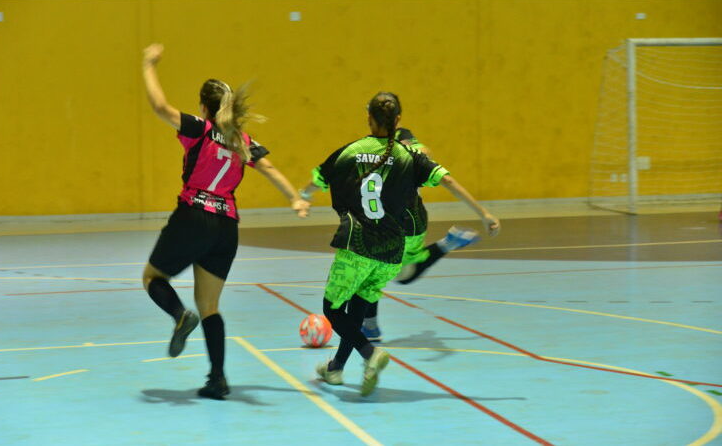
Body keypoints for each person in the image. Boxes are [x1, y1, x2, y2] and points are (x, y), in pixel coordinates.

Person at [140, 43, 309, 400]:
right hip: (226, 227)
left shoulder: (199, 128)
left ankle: (179, 315)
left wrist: (148, 66)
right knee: (211, 307)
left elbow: (159, 107)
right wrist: (294, 198)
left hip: (194, 215)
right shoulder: (241, 139)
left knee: (153, 278)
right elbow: (271, 169)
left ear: (204, 106)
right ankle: (218, 379)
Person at [302, 92, 496, 396]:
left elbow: (320, 178)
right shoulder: (410, 157)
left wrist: (302, 196)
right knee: (358, 306)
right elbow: (447, 180)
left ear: (368, 119)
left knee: (333, 307)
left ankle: (370, 354)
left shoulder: (350, 152)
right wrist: (483, 213)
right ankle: (336, 368)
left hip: (358, 244)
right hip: (392, 250)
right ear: (398, 121)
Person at [301, 127, 500, 343]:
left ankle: (368, 330)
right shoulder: (373, 148)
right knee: (389, 270)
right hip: (401, 220)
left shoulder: (395, 139)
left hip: (406, 222)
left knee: (379, 266)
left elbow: (425, 151)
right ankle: (370, 326)